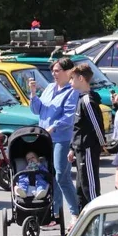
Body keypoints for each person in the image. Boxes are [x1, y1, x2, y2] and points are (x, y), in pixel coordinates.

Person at [28, 58, 81, 224]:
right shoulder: (50, 87)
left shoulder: (72, 91)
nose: (54, 73)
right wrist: (33, 93)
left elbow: (68, 117)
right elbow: (37, 110)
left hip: (61, 139)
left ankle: (76, 213)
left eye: (57, 70)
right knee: (50, 175)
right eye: (53, 70)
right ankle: (56, 213)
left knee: (61, 176)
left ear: (68, 72)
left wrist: (53, 127)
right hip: (45, 138)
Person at [70, 63, 105, 216]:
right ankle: (82, 218)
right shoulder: (80, 99)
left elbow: (96, 125)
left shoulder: (87, 101)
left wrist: (102, 144)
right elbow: (77, 128)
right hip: (79, 149)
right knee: (80, 185)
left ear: (81, 79)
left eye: (73, 78)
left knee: (89, 186)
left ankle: (97, 217)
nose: (71, 81)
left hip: (88, 149)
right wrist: (72, 148)